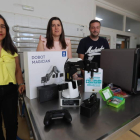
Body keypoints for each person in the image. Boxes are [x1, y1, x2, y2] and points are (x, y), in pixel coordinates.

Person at [0, 15, 25, 140]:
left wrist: (20, 84)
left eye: (2, 26)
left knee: (12, 123)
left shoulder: (11, 49)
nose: (0, 29)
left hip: (10, 90)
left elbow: (18, 70)